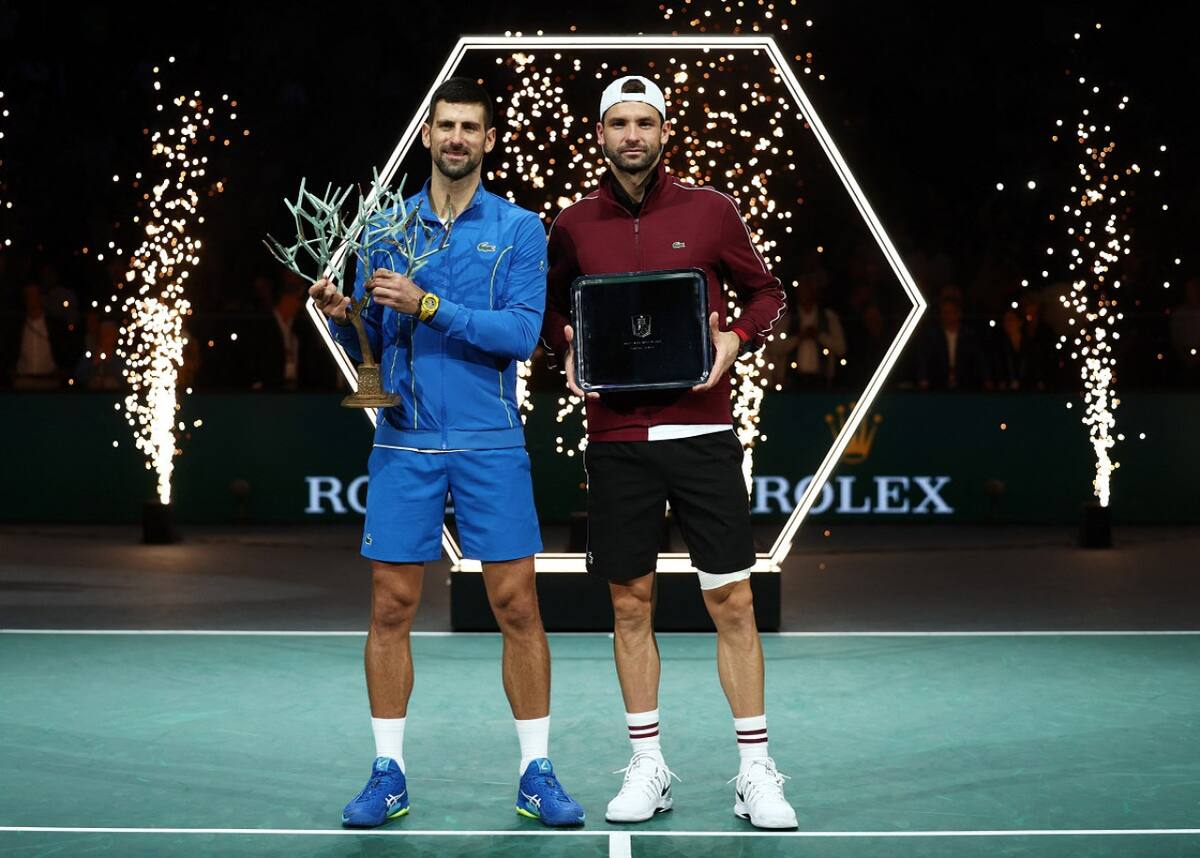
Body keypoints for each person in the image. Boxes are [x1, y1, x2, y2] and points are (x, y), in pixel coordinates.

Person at [309, 77, 583, 829]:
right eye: (445, 127)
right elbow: (373, 337)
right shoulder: (386, 227)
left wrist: (429, 304)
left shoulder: (524, 230)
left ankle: (537, 773)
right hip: (405, 438)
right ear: (427, 136)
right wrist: (344, 319)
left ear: (488, 140)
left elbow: (521, 335)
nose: (457, 138)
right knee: (390, 607)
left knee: (516, 605)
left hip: (491, 440)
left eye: (470, 127)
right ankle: (387, 774)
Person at [541, 75, 797, 830]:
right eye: (618, 123)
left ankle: (755, 771)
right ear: (600, 134)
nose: (631, 135)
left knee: (733, 602)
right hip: (616, 440)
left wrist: (734, 338)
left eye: (643, 123)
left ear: (662, 132)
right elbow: (554, 309)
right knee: (629, 606)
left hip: (703, 434)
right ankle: (647, 765)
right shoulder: (571, 226)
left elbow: (767, 292)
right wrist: (564, 343)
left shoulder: (712, 211)